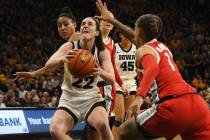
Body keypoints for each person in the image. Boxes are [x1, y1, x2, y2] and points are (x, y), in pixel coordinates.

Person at [95, 0, 210, 140]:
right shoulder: (161, 46)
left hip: (172, 106)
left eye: (135, 28)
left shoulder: (143, 50)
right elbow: (132, 36)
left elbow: (152, 68)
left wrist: (139, 98)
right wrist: (113, 21)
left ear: (139, 30)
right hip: (197, 104)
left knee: (123, 132)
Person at [16, 16, 115, 140]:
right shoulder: (69, 46)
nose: (85, 25)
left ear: (96, 32)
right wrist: (62, 59)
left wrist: (100, 71)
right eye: (83, 23)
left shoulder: (101, 51)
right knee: (55, 130)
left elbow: (112, 79)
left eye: (90, 24)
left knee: (103, 125)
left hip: (91, 98)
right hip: (69, 99)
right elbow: (48, 65)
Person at [112, 32, 137, 140]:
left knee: (129, 118)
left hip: (131, 83)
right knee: (119, 117)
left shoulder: (137, 49)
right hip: (117, 83)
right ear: (120, 34)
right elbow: (111, 66)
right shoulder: (114, 47)